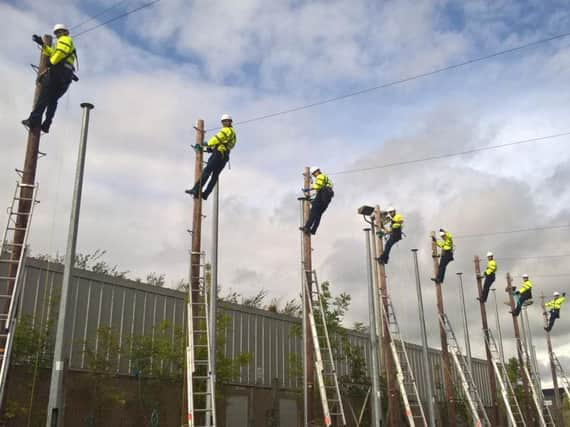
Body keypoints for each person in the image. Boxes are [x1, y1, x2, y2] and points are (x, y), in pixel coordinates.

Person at [22, 24, 77, 133]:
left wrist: (50, 63)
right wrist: (43, 44)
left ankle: (33, 120)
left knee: (44, 96)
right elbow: (56, 53)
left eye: (58, 32)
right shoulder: (66, 43)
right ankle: (46, 124)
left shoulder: (65, 39)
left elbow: (60, 53)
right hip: (66, 75)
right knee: (52, 100)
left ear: (64, 32)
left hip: (58, 72)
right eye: (56, 33)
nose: (57, 35)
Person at [185, 114, 237, 200]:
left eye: (226, 121)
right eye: (223, 121)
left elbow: (217, 138)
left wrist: (208, 144)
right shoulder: (233, 133)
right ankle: (205, 194)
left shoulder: (226, 130)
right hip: (224, 157)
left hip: (219, 155)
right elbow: (225, 145)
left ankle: (196, 189)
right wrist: (212, 149)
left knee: (207, 171)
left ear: (230, 122)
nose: (224, 123)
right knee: (214, 176)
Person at [299, 167, 333, 235]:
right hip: (326, 198)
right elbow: (320, 191)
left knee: (313, 212)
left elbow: (318, 186)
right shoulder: (325, 179)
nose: (314, 175)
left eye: (314, 174)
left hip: (323, 194)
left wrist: (308, 189)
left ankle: (307, 227)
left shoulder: (320, 176)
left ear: (317, 172)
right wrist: (313, 199)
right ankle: (313, 230)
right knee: (318, 214)